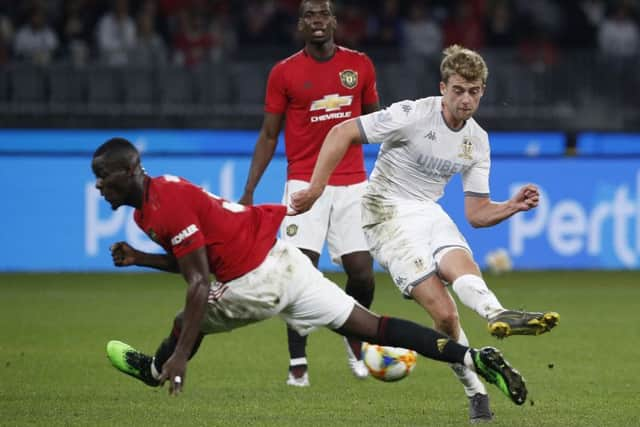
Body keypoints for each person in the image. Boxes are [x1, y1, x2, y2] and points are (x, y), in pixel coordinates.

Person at [93, 137, 527, 407]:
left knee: (186, 320)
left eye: (103, 176)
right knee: (372, 326)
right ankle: (473, 357)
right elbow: (195, 261)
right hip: (284, 260)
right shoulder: (153, 204)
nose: (98, 186)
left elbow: (199, 281)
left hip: (257, 279)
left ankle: (155, 370)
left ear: (130, 171)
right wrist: (142, 258)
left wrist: (182, 352)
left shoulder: (162, 208)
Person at [289, 45, 560, 423]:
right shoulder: (412, 114)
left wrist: (511, 206)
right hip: (384, 213)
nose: (466, 99)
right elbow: (340, 132)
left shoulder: (477, 140)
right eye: (459, 90)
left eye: (474, 91)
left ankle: (497, 314)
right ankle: (477, 391)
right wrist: (317, 188)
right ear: (443, 87)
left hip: (428, 212)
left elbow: (477, 215)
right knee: (445, 315)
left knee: (461, 268)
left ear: (483, 91)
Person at [238, 0, 378, 387]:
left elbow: (375, 121)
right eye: (310, 16)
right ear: (300, 25)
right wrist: (249, 191)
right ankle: (297, 361)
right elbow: (269, 135)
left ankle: (356, 338)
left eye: (324, 15)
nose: (317, 21)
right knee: (298, 271)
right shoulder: (283, 72)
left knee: (362, 273)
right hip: (302, 181)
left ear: (334, 21)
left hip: (351, 181)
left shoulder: (360, 66)